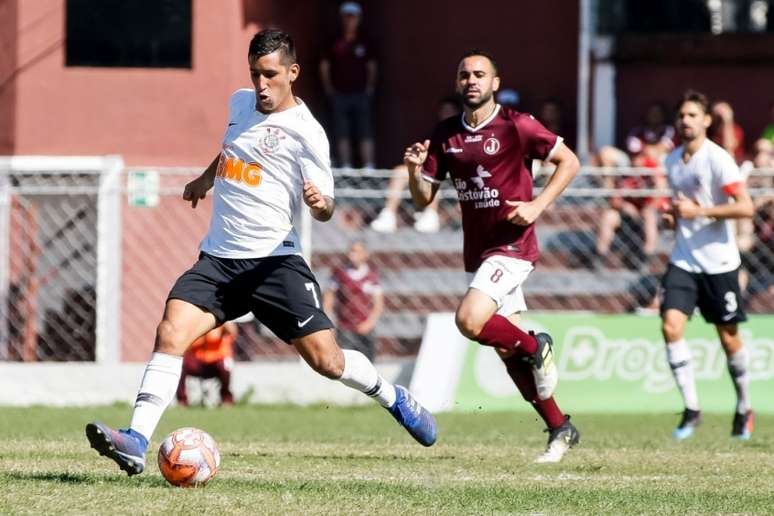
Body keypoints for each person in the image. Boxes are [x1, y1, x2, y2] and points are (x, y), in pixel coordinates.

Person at [85, 30, 436, 477]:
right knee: (170, 332)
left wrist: (319, 203)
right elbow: (234, 145)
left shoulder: (308, 133)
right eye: (255, 74)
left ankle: (392, 396)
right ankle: (135, 439)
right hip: (218, 261)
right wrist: (207, 177)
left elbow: (328, 207)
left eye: (270, 75)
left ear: (293, 72)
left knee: (328, 361)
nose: (261, 85)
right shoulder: (240, 103)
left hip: (274, 264)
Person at [404, 49, 581, 463]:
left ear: (495, 83)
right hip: (480, 252)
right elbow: (423, 200)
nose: (471, 81)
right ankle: (560, 427)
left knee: (469, 319)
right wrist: (415, 172)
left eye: (480, 75)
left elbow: (568, 162)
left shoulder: (516, 125)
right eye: (464, 74)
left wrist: (537, 207)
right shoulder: (446, 133)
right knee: (508, 353)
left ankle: (536, 346)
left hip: (513, 246)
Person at [660, 90, 755, 440]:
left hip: (719, 264)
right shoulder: (672, 161)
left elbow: (745, 207)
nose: (685, 121)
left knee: (729, 339)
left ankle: (744, 407)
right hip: (684, 260)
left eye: (691, 115)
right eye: (681, 115)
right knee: (671, 327)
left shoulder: (718, 159)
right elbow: (680, 211)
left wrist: (699, 212)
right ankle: (692, 409)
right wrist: (674, 218)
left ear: (705, 121)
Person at [370, 97, 462, 233]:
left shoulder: (465, 134)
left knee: (436, 173)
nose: (446, 114)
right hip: (428, 170)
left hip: (454, 176)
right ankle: (388, 215)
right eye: (444, 111)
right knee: (400, 171)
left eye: (450, 111)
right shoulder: (435, 133)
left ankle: (431, 216)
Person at [319, 1, 377, 169]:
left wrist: (369, 88)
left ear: (359, 19)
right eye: (346, 17)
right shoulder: (333, 41)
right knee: (341, 129)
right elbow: (325, 66)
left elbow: (372, 66)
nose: (349, 20)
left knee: (365, 128)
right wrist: (329, 87)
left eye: (352, 17)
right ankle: (346, 164)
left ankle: (369, 165)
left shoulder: (365, 41)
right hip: (339, 93)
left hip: (361, 93)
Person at [323, 241, 384, 361]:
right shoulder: (340, 274)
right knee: (346, 362)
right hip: (344, 327)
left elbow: (379, 305)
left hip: (364, 327)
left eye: (357, 251)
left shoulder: (372, 276)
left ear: (366, 255)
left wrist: (369, 323)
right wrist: (330, 322)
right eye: (351, 251)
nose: (352, 254)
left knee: (368, 362)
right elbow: (328, 298)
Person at [176, 321, 238, 407]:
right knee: (182, 365)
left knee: (225, 366)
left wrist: (225, 322)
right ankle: (182, 401)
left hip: (216, 362)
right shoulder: (196, 325)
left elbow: (232, 332)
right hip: (199, 363)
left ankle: (226, 399)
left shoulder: (220, 324)